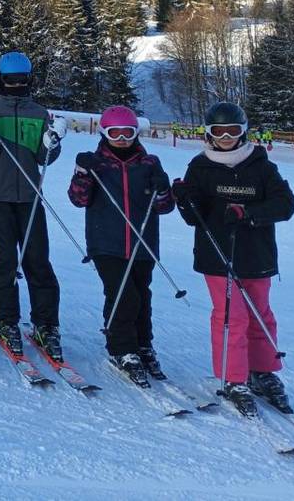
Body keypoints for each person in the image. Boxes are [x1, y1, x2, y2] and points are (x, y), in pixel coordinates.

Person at [172, 102, 294, 416]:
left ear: (244, 132)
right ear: (208, 134)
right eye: (218, 131)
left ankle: (262, 371)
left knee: (260, 314)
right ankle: (234, 378)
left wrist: (249, 213)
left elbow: (285, 204)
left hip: (256, 254)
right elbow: (193, 217)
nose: (226, 137)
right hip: (218, 254)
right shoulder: (200, 166)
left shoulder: (262, 166)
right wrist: (185, 200)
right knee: (231, 316)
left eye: (233, 131)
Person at [68, 106, 173, 385]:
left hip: (143, 243)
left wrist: (163, 188)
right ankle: (122, 348)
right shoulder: (97, 163)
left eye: (128, 133)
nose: (122, 138)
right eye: (115, 133)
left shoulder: (149, 163)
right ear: (104, 133)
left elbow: (164, 207)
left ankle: (142, 344)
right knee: (123, 295)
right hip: (107, 243)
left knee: (141, 296)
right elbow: (78, 199)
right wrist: (82, 172)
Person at [0, 51, 66, 358]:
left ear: (29, 79)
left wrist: (53, 141)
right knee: (6, 260)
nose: (15, 84)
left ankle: (46, 324)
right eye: (10, 79)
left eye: (20, 79)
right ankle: (6, 320)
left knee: (38, 260)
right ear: (0, 78)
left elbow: (43, 158)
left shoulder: (39, 114)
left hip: (28, 197)